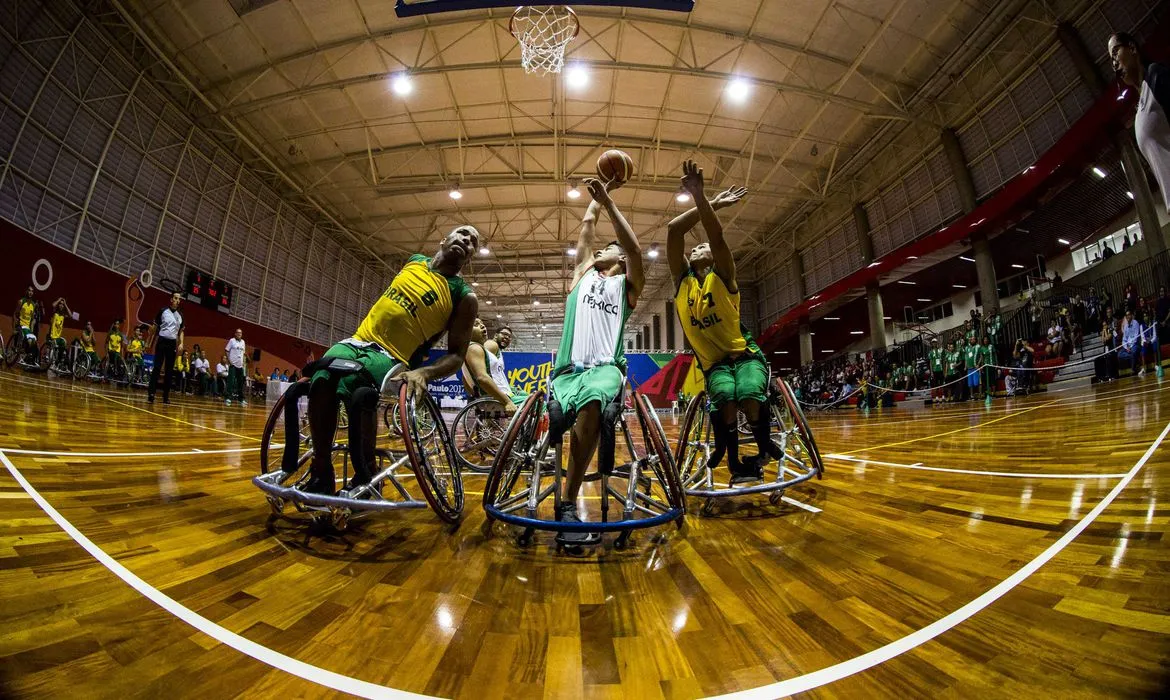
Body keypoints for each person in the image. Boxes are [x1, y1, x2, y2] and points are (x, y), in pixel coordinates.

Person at [289, 224, 480, 496]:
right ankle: (321, 472)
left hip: (393, 356)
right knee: (321, 378)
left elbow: (457, 356)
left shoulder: (464, 296)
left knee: (358, 387)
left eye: (473, 241)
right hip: (357, 340)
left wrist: (424, 372)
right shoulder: (414, 261)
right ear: (443, 239)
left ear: (470, 257)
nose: (466, 240)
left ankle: (367, 473)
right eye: (462, 233)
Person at [547, 176, 644, 545]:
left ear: (620, 258)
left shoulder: (627, 288)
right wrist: (599, 198)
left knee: (591, 401)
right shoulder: (582, 273)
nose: (603, 249)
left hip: (605, 370)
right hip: (567, 371)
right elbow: (587, 225)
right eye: (601, 248)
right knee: (577, 400)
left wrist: (611, 204)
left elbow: (634, 250)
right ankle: (562, 413)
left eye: (611, 248)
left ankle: (566, 503)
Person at [667, 163, 762, 482]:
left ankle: (762, 449)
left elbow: (717, 236)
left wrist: (703, 197)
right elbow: (674, 230)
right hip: (714, 364)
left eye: (701, 246)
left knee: (747, 390)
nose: (696, 248)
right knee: (725, 396)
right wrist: (708, 201)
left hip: (742, 353)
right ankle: (734, 462)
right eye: (693, 248)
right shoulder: (682, 281)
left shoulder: (723, 275)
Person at [1109, 32, 1170, 217]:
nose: (1114, 63)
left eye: (1115, 53)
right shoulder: (1141, 106)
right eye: (1111, 60)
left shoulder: (1157, 75)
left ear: (1132, 48)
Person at [462, 318, 521, 410]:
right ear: (496, 335)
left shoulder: (474, 348)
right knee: (539, 403)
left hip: (494, 396)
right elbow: (481, 376)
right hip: (495, 398)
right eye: (504, 334)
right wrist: (507, 401)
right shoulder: (488, 345)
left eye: (509, 336)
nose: (507, 337)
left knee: (527, 395)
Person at [147, 291, 185, 404]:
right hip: (162, 341)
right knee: (157, 368)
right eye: (176, 298)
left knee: (169, 370)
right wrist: (149, 336)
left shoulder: (180, 315)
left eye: (179, 299)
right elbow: (154, 327)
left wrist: (181, 343)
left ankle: (166, 397)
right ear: (171, 299)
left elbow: (181, 331)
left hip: (172, 343)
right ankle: (151, 394)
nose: (177, 300)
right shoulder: (163, 311)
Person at [12, 286, 40, 358]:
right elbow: (15, 315)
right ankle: (19, 351)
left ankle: (28, 357)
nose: (30, 292)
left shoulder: (33, 305)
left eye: (32, 291)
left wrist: (32, 330)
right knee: (28, 340)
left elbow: (32, 319)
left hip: (27, 328)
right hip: (20, 326)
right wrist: (14, 329)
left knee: (34, 340)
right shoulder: (21, 302)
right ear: (26, 291)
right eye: (29, 290)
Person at [224, 328, 247, 406]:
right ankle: (228, 398)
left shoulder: (243, 342)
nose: (239, 334)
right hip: (233, 365)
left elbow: (243, 353)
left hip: (240, 366)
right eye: (238, 332)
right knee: (231, 382)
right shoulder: (232, 340)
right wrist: (229, 361)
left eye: (240, 333)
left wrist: (243, 363)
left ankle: (241, 399)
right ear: (235, 334)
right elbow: (226, 350)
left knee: (240, 383)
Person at [1119, 310, 1143, 376]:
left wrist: (1130, 347)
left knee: (1133, 351)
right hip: (1128, 347)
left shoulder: (1135, 323)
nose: (1128, 316)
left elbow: (1136, 337)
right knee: (1119, 354)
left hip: (1135, 344)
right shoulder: (1125, 326)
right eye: (1126, 315)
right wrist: (1126, 347)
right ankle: (1136, 361)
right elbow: (1124, 339)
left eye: (1129, 314)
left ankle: (1133, 369)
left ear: (1131, 315)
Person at [964, 334, 981, 400]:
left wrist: (978, 364)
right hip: (969, 368)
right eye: (971, 339)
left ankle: (979, 395)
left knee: (977, 383)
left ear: (976, 340)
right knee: (970, 383)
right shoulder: (967, 348)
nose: (972, 340)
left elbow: (981, 356)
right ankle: (971, 396)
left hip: (975, 368)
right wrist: (965, 366)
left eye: (973, 339)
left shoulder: (978, 346)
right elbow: (966, 357)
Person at [928, 338, 945, 404]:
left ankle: (942, 396)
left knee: (942, 383)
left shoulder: (940, 351)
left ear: (937, 343)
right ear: (932, 344)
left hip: (940, 369)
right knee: (936, 384)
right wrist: (931, 372)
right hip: (935, 370)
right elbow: (930, 363)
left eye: (935, 342)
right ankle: (937, 396)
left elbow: (943, 360)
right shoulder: (931, 352)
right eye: (933, 342)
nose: (934, 343)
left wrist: (944, 370)